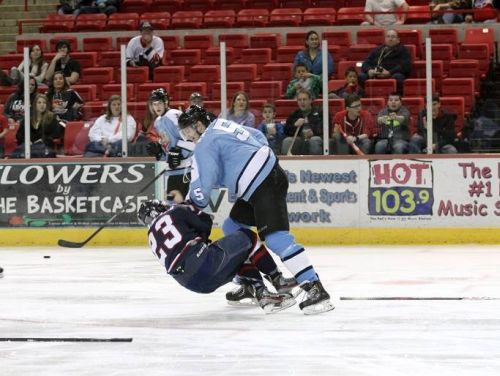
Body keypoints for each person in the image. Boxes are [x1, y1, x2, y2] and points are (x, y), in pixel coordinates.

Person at [177, 105, 334, 315]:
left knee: (276, 238)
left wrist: (188, 206)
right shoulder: (223, 125)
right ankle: (266, 281)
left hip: (262, 184)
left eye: (188, 131)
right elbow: (258, 136)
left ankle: (315, 288)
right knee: (233, 227)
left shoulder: (206, 142)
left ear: (198, 125)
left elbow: (202, 192)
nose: (188, 137)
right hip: (264, 179)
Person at [138, 199, 296, 313]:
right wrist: (190, 208)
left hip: (193, 285)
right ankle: (277, 280)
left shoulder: (151, 238)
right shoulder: (175, 212)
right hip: (205, 263)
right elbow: (206, 224)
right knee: (249, 238)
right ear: (157, 209)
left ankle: (257, 290)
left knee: (236, 256)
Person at [358, 29, 411, 96]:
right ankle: (367, 96)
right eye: (388, 36)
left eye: (393, 37)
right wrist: (369, 71)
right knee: (361, 76)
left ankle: (396, 97)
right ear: (385, 39)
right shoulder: (377, 50)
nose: (390, 39)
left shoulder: (403, 50)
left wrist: (389, 72)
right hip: (376, 73)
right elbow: (366, 63)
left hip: (392, 74)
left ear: (398, 40)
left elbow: (405, 66)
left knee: (398, 77)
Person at [11, 94, 64, 158]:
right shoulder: (28, 118)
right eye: (39, 103)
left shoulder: (51, 117)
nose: (42, 105)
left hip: (45, 145)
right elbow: (19, 135)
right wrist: (27, 141)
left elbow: (56, 133)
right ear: (35, 104)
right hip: (28, 146)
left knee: (37, 152)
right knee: (16, 153)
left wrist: (43, 140)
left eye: (44, 103)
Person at [282, 89, 325, 156]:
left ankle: (316, 165)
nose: (302, 102)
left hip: (316, 137)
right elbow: (286, 131)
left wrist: (313, 132)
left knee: (314, 140)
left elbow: (325, 128)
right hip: (299, 138)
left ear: (310, 100)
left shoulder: (320, 112)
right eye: (299, 100)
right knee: (287, 141)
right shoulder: (294, 114)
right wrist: (295, 125)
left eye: (304, 99)